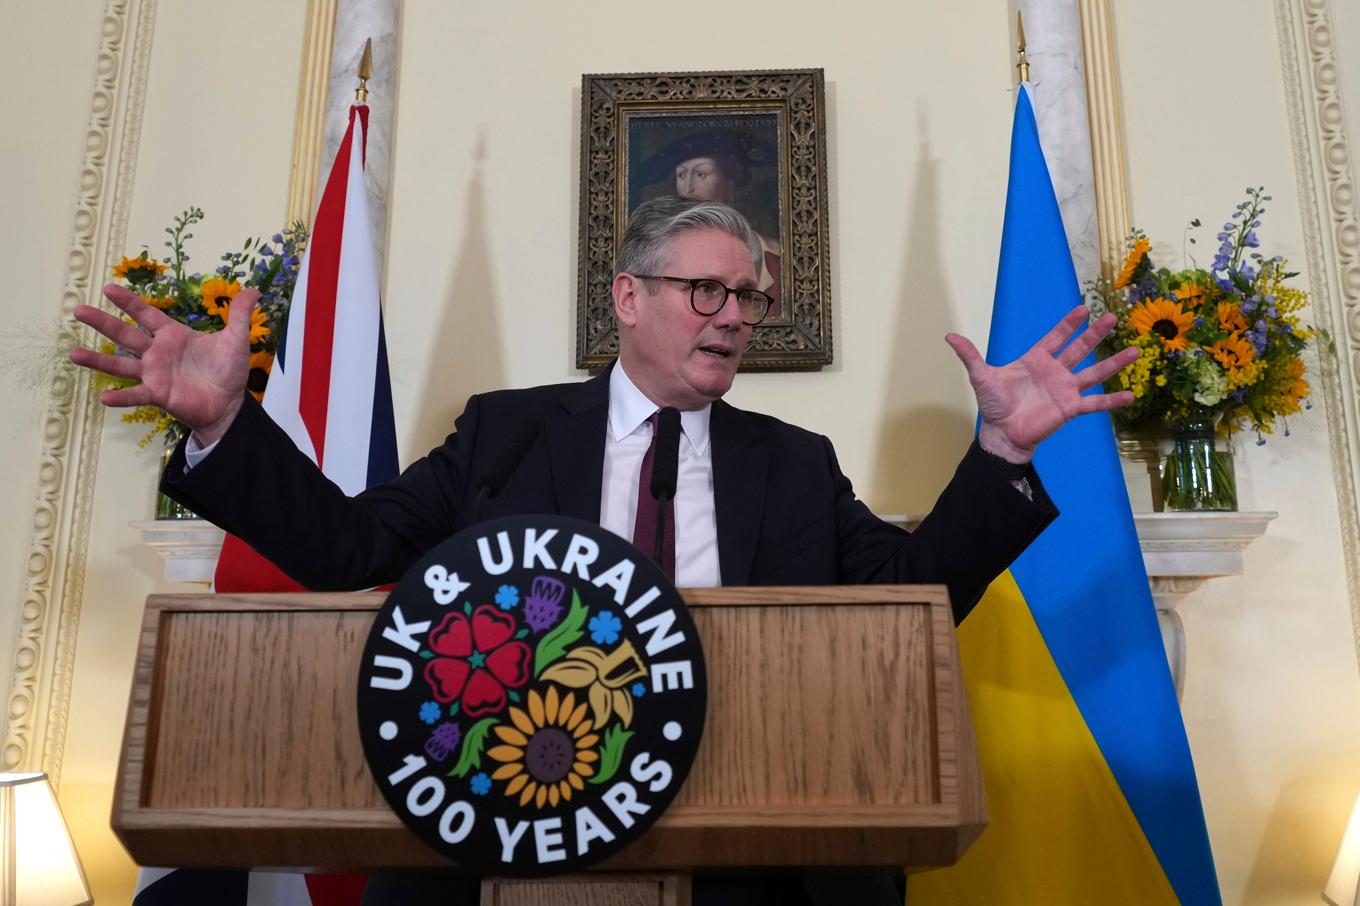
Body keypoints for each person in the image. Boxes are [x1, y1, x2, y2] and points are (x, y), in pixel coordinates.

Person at [69, 195, 1137, 904]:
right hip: (508, 841)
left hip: (754, 846)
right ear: (628, 298)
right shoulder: (505, 432)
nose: (734, 316)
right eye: (704, 290)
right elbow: (350, 549)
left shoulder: (793, 462)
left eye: (751, 297)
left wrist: (999, 451)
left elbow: (913, 600)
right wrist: (222, 426)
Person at [638, 128, 784, 316]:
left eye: (701, 174)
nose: (688, 188)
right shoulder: (656, 256)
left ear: (730, 180)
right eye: (681, 175)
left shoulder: (775, 253)